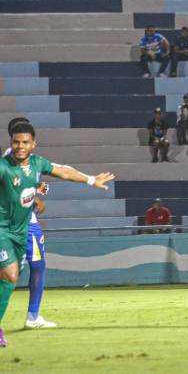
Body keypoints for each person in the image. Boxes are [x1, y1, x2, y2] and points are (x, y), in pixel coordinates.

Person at [0, 121, 114, 347]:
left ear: (33, 144)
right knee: (10, 275)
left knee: (10, 279)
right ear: (11, 142)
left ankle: (30, 317)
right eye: (16, 142)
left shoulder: (37, 163)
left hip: (21, 232)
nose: (20, 146)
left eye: (25, 142)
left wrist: (92, 180)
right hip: (2, 230)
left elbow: (63, 171)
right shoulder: (4, 166)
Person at [4, 117, 55, 330]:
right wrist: (36, 199)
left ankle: (33, 316)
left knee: (36, 266)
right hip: (14, 225)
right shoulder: (10, 160)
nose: (22, 145)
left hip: (29, 223)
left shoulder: (32, 161)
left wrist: (37, 190)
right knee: (14, 273)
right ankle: (32, 316)